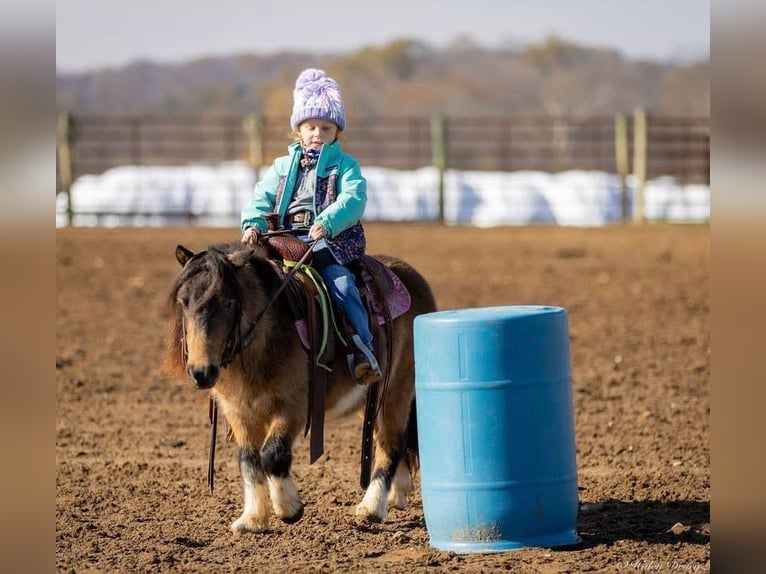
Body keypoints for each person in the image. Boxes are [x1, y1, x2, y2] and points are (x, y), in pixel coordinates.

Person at [241, 68, 381, 384]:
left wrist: (328, 222)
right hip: (282, 236)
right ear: (299, 129)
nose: (318, 133)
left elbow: (354, 198)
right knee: (244, 280)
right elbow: (261, 197)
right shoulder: (281, 166)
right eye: (311, 126)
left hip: (328, 239)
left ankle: (363, 348)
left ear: (337, 131)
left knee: (342, 285)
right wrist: (253, 223)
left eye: (326, 127)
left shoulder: (345, 166)